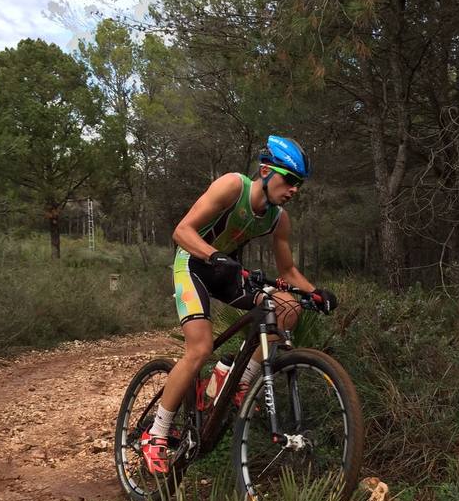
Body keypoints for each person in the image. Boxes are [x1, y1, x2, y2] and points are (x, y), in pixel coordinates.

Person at [143, 135, 338, 474]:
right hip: (193, 263)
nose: (293, 189)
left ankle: (239, 380)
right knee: (200, 348)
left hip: (228, 271)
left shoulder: (278, 218)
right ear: (265, 170)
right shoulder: (233, 186)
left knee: (287, 307)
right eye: (289, 180)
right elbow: (182, 230)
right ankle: (157, 433)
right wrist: (212, 254)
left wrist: (316, 292)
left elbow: (288, 270)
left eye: (299, 184)